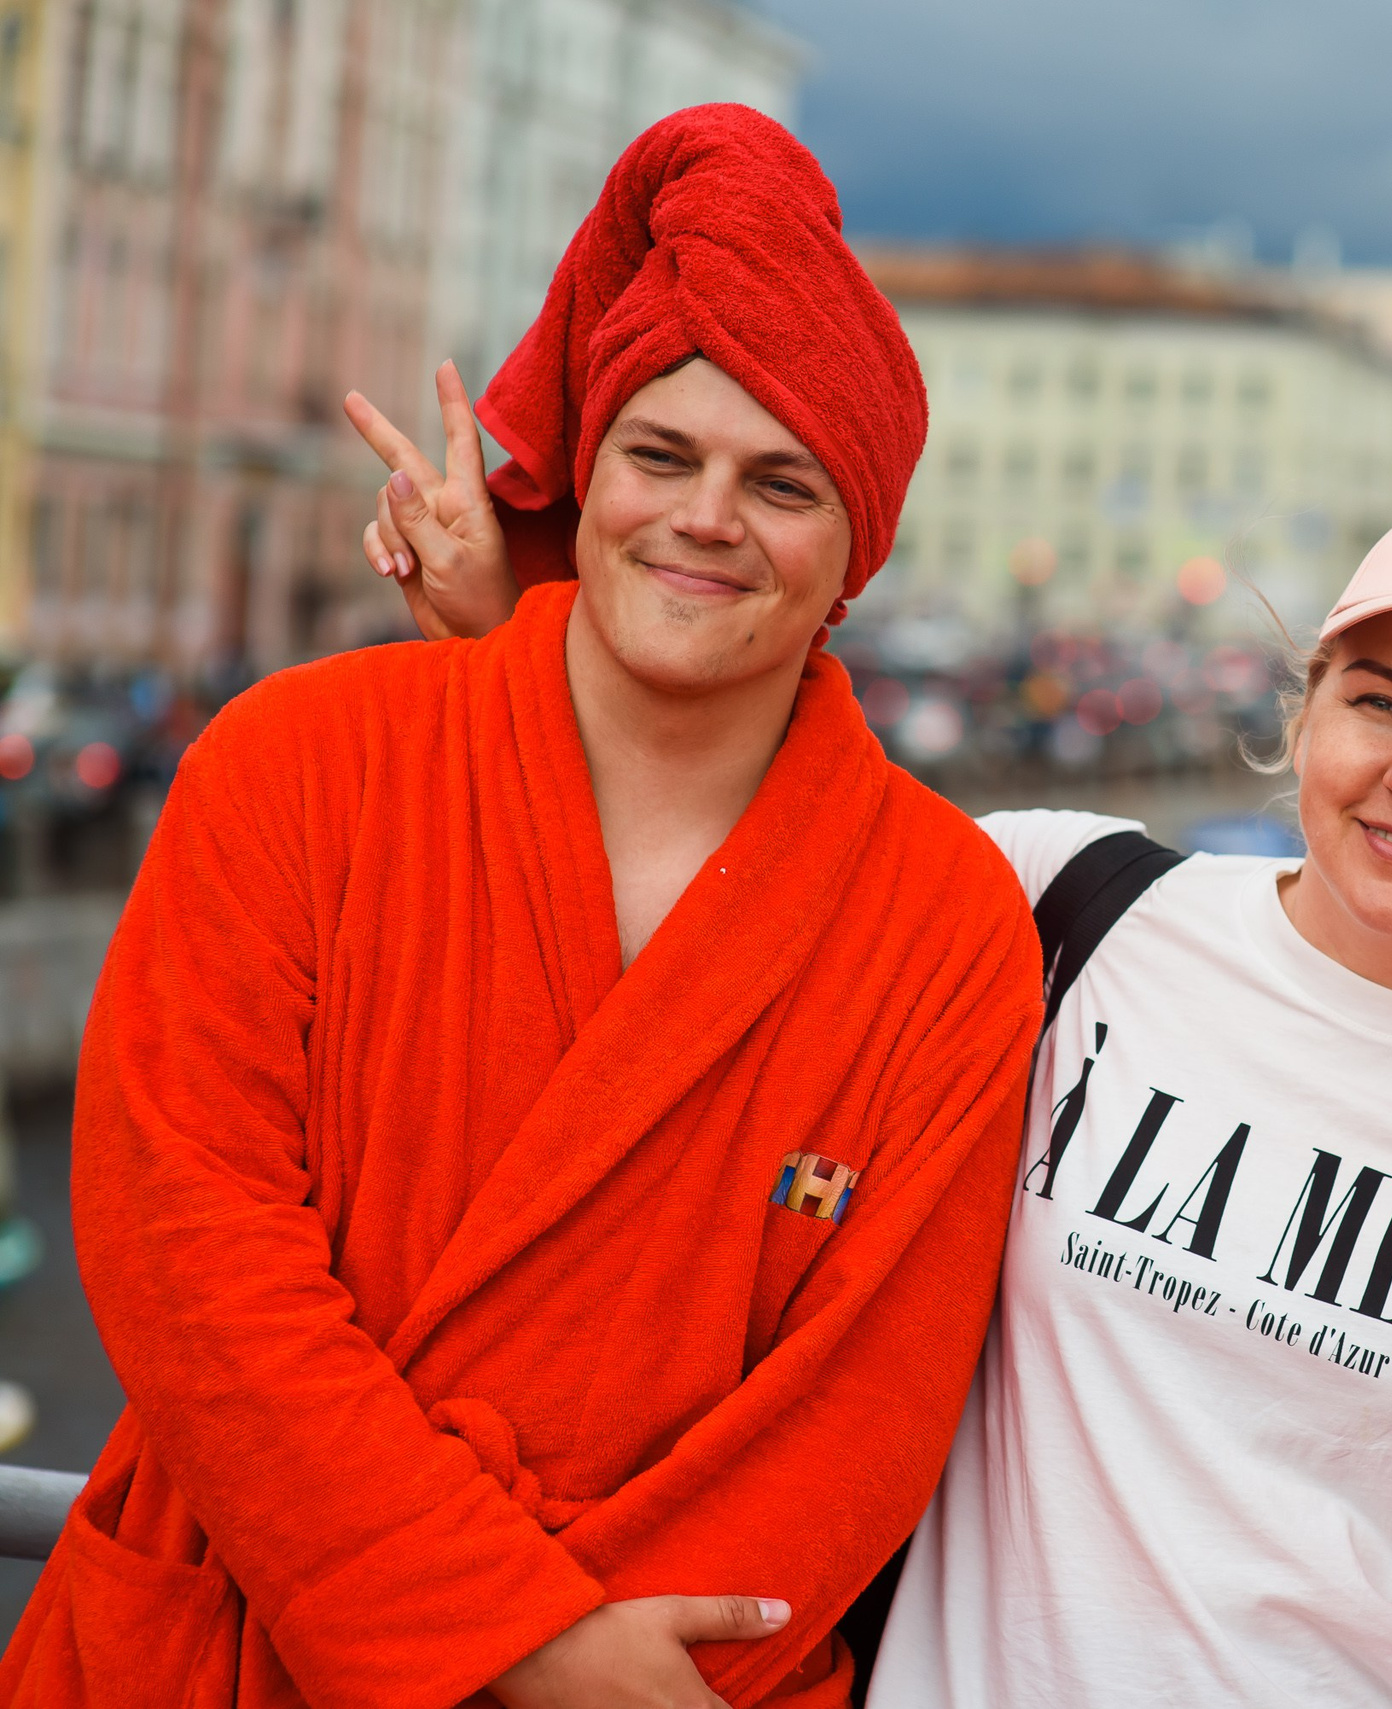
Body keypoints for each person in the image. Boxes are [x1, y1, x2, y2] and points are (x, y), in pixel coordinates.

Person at [0, 106, 1040, 1709]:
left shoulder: (945, 919)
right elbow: (182, 1234)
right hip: (230, 1649)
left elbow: (866, 1403)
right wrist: (517, 1640)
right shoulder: (296, 761)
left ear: (855, 553)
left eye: (782, 483)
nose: (705, 518)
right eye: (660, 455)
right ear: (595, 470)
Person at [384, 499, 1392, 1706]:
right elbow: (733, 868)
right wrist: (526, 628)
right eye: (1377, 700)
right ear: (1307, 713)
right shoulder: (1068, 899)